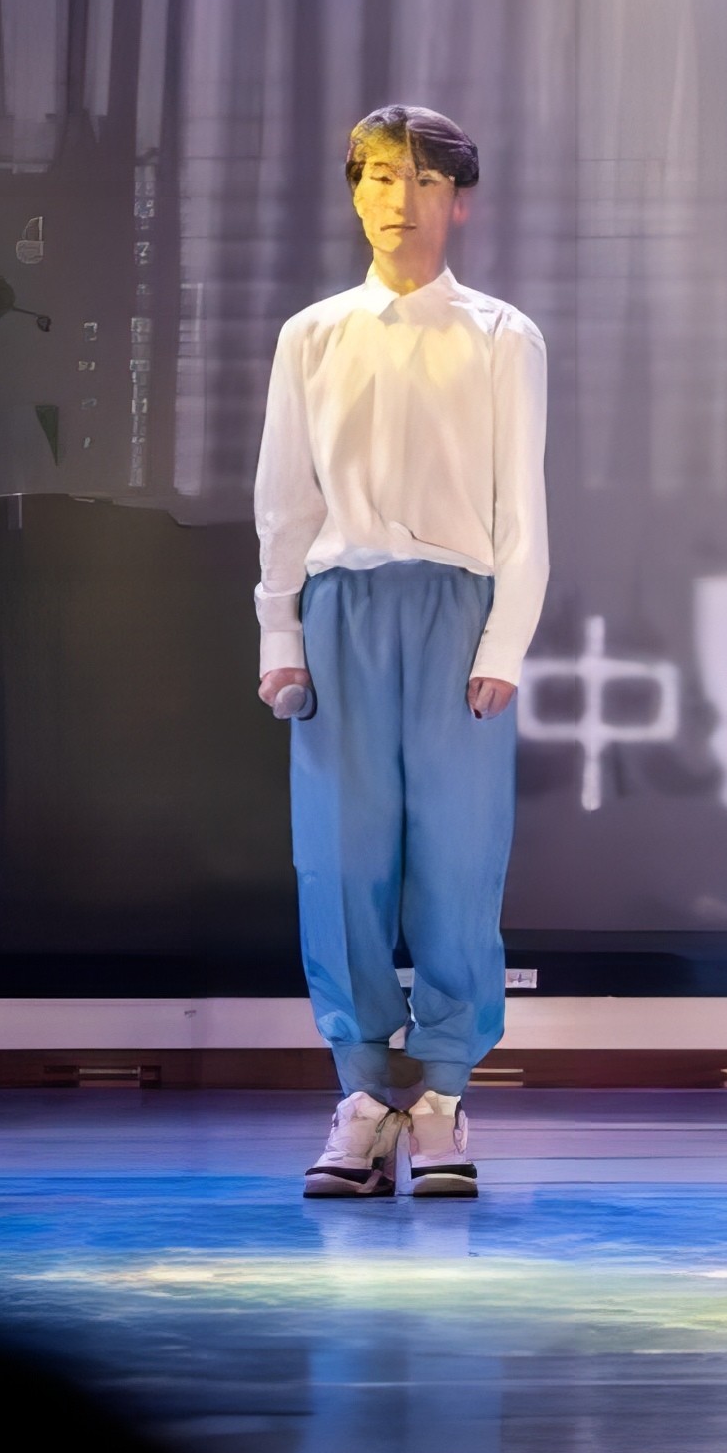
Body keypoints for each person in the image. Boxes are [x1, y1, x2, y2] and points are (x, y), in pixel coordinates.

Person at [254, 106, 548, 1201]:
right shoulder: (314, 335)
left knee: (458, 861)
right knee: (339, 860)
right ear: (354, 193)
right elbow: (285, 499)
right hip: (341, 609)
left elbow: (522, 508)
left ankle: (442, 1095)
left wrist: (505, 640)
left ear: (458, 201)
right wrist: (281, 632)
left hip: (457, 610)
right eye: (379, 177)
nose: (398, 200)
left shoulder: (501, 337)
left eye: (423, 180)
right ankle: (364, 1093)